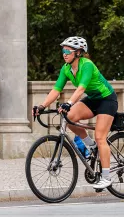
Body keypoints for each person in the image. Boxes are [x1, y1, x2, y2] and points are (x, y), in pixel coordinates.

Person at [32, 36, 118, 189]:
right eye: (63, 51)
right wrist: (42, 106)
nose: (64, 54)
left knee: (100, 137)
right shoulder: (66, 69)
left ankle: (106, 177)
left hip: (107, 100)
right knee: (70, 116)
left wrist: (69, 103)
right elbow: (56, 90)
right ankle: (90, 145)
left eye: (67, 50)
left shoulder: (87, 65)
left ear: (78, 53)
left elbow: (81, 88)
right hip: (93, 99)